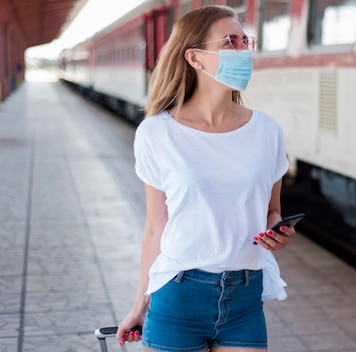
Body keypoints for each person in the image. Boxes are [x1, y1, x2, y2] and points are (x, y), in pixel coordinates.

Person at [115, 5, 295, 352]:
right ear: (194, 58)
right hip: (179, 294)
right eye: (230, 42)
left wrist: (279, 231)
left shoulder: (268, 131)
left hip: (245, 297)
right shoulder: (156, 133)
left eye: (246, 41)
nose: (244, 51)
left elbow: (272, 211)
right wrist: (140, 306)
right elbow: (156, 227)